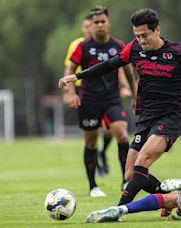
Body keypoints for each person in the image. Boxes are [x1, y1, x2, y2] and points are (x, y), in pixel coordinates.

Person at [58, 8, 181, 205]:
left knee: (142, 160)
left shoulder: (179, 51)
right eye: (137, 36)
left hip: (171, 116)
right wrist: (76, 76)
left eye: (144, 35)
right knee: (130, 174)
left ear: (157, 30)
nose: (141, 41)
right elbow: (109, 65)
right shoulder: (133, 48)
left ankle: (119, 209)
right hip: (146, 118)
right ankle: (177, 195)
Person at [64, 6, 136, 197]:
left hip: (112, 99)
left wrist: (136, 96)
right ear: (92, 25)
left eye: (102, 21)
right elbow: (70, 70)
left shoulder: (118, 46)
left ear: (108, 23)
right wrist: (71, 93)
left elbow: (128, 72)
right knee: (91, 142)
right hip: (89, 100)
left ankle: (125, 181)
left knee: (121, 133)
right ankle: (93, 186)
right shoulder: (83, 47)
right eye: (96, 22)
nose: (99, 25)